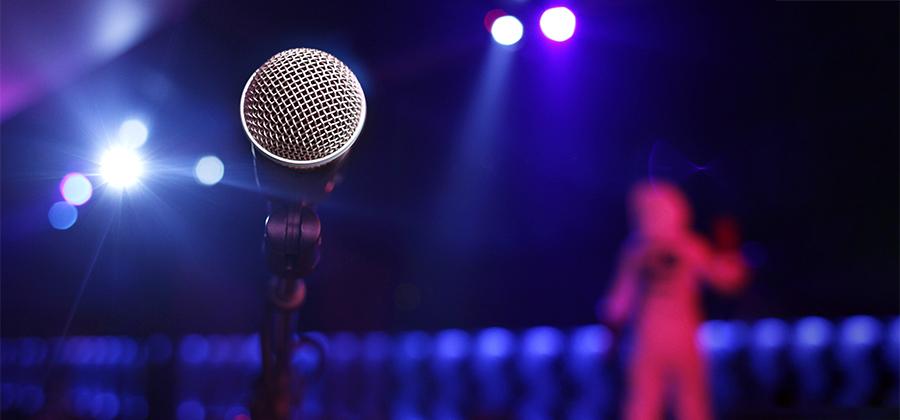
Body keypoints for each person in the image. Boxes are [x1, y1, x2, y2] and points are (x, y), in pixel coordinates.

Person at [602, 180, 747, 420]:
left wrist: (611, 338)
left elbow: (618, 303)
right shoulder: (686, 247)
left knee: (648, 403)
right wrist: (730, 250)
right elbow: (725, 278)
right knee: (685, 403)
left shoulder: (637, 251)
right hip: (673, 336)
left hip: (652, 338)